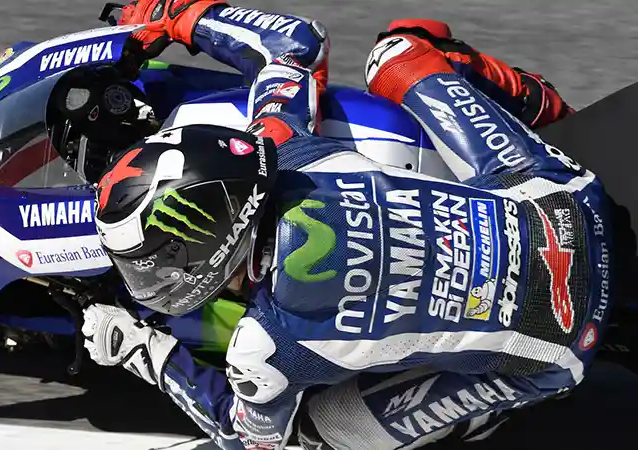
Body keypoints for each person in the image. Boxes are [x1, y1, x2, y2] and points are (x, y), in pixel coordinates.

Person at [81, 1, 624, 449]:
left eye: (157, 258)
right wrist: (175, 15)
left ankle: (481, 417)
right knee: (398, 51)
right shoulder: (285, 146)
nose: (151, 272)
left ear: (210, 241)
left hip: (564, 347)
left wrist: (142, 350)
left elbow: (246, 438)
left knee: (317, 436)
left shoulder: (263, 347)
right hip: (572, 204)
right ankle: (550, 114)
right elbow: (295, 41)